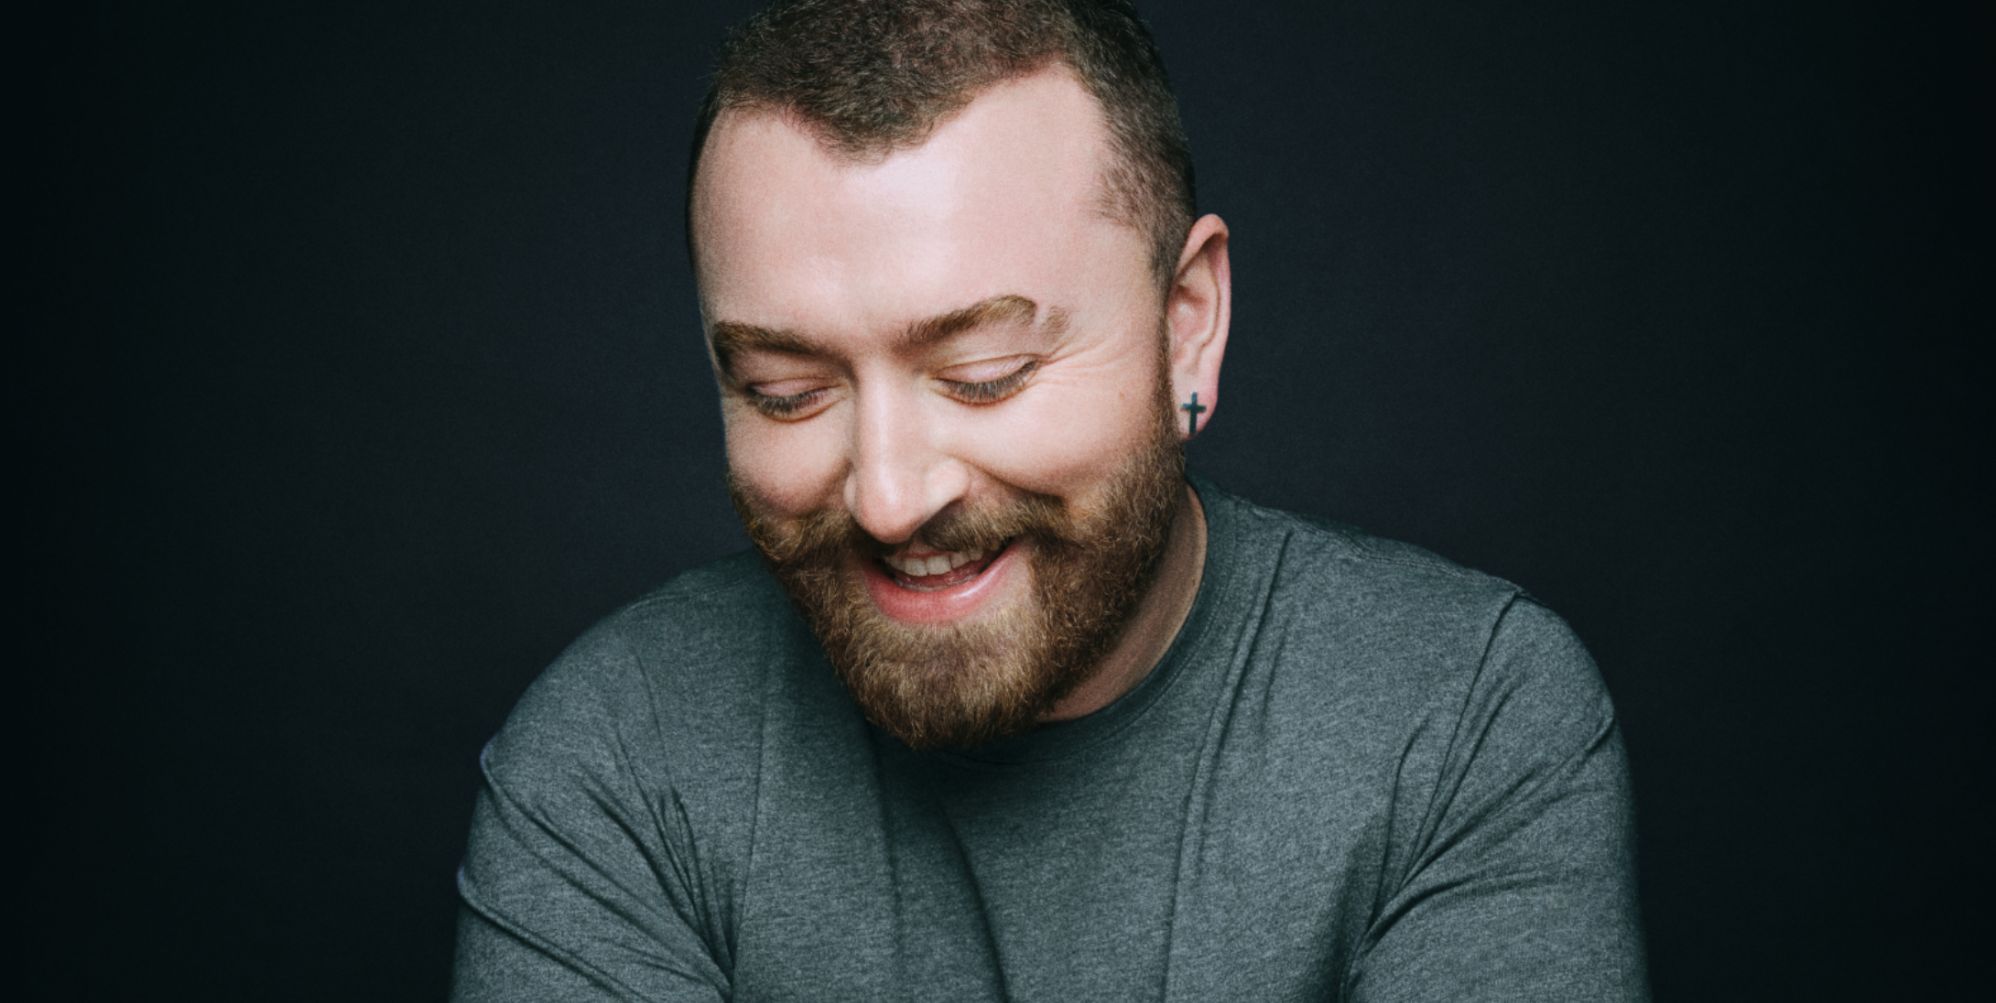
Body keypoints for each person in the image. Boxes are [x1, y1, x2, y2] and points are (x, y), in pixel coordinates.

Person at [451, 1, 1647, 999]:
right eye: (786, 391)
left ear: (1187, 326)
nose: (886, 496)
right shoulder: (612, 762)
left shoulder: (1463, 718)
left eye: (983, 377)